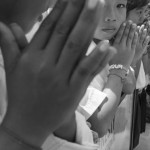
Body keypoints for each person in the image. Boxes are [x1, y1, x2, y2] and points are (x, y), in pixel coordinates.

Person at [0, 0, 116, 149]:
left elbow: (81, 131)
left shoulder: (38, 46)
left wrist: (65, 123)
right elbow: (99, 123)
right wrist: (23, 130)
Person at [78, 0, 139, 138]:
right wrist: (120, 67)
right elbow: (98, 125)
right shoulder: (75, 52)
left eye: (120, 6)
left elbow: (129, 85)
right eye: (101, 5)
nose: (111, 16)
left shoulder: (112, 44)